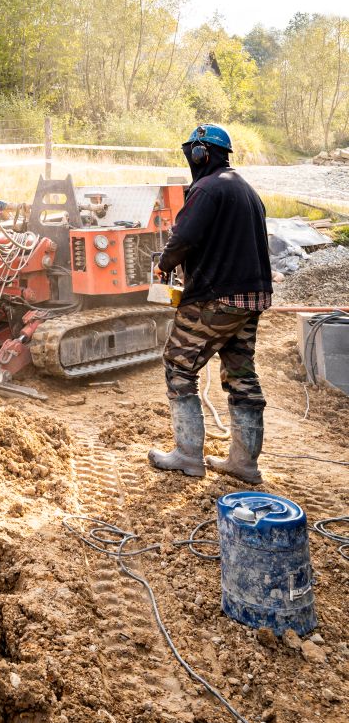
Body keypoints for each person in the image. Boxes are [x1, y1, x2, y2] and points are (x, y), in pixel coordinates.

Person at [148, 124, 272, 483]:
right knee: (242, 376)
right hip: (251, 299)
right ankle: (244, 464)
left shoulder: (206, 189)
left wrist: (163, 265)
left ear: (201, 153)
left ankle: (188, 456)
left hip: (215, 298)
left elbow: (183, 238)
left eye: (192, 151)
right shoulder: (246, 190)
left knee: (178, 366)